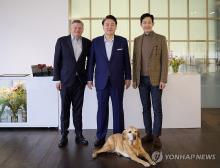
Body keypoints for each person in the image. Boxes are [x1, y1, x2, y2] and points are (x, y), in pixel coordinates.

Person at [87, 15, 131, 148]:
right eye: (107, 24)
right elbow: (91, 62)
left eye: (112, 24)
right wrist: (89, 78)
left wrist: (128, 77)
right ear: (103, 26)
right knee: (102, 109)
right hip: (101, 81)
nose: (109, 27)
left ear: (115, 26)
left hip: (117, 81)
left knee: (118, 109)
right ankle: (100, 137)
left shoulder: (122, 41)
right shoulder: (95, 42)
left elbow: (126, 62)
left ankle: (118, 136)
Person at [53, 20, 91, 148]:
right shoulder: (62, 41)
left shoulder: (87, 42)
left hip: (80, 82)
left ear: (83, 29)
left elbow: (90, 62)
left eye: (80, 28)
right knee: (65, 109)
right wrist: (57, 79)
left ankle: (79, 135)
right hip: (65, 82)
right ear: (71, 28)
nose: (77, 30)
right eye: (75, 27)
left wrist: (88, 78)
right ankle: (64, 135)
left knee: (78, 110)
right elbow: (56, 61)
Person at [132, 13, 168, 149]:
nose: (147, 24)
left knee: (157, 108)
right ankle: (148, 133)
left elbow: (165, 61)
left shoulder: (160, 39)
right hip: (142, 80)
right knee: (145, 108)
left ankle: (156, 135)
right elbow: (135, 61)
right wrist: (135, 79)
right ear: (141, 24)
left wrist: (163, 79)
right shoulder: (137, 40)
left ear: (153, 24)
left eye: (149, 22)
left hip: (156, 80)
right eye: (144, 22)